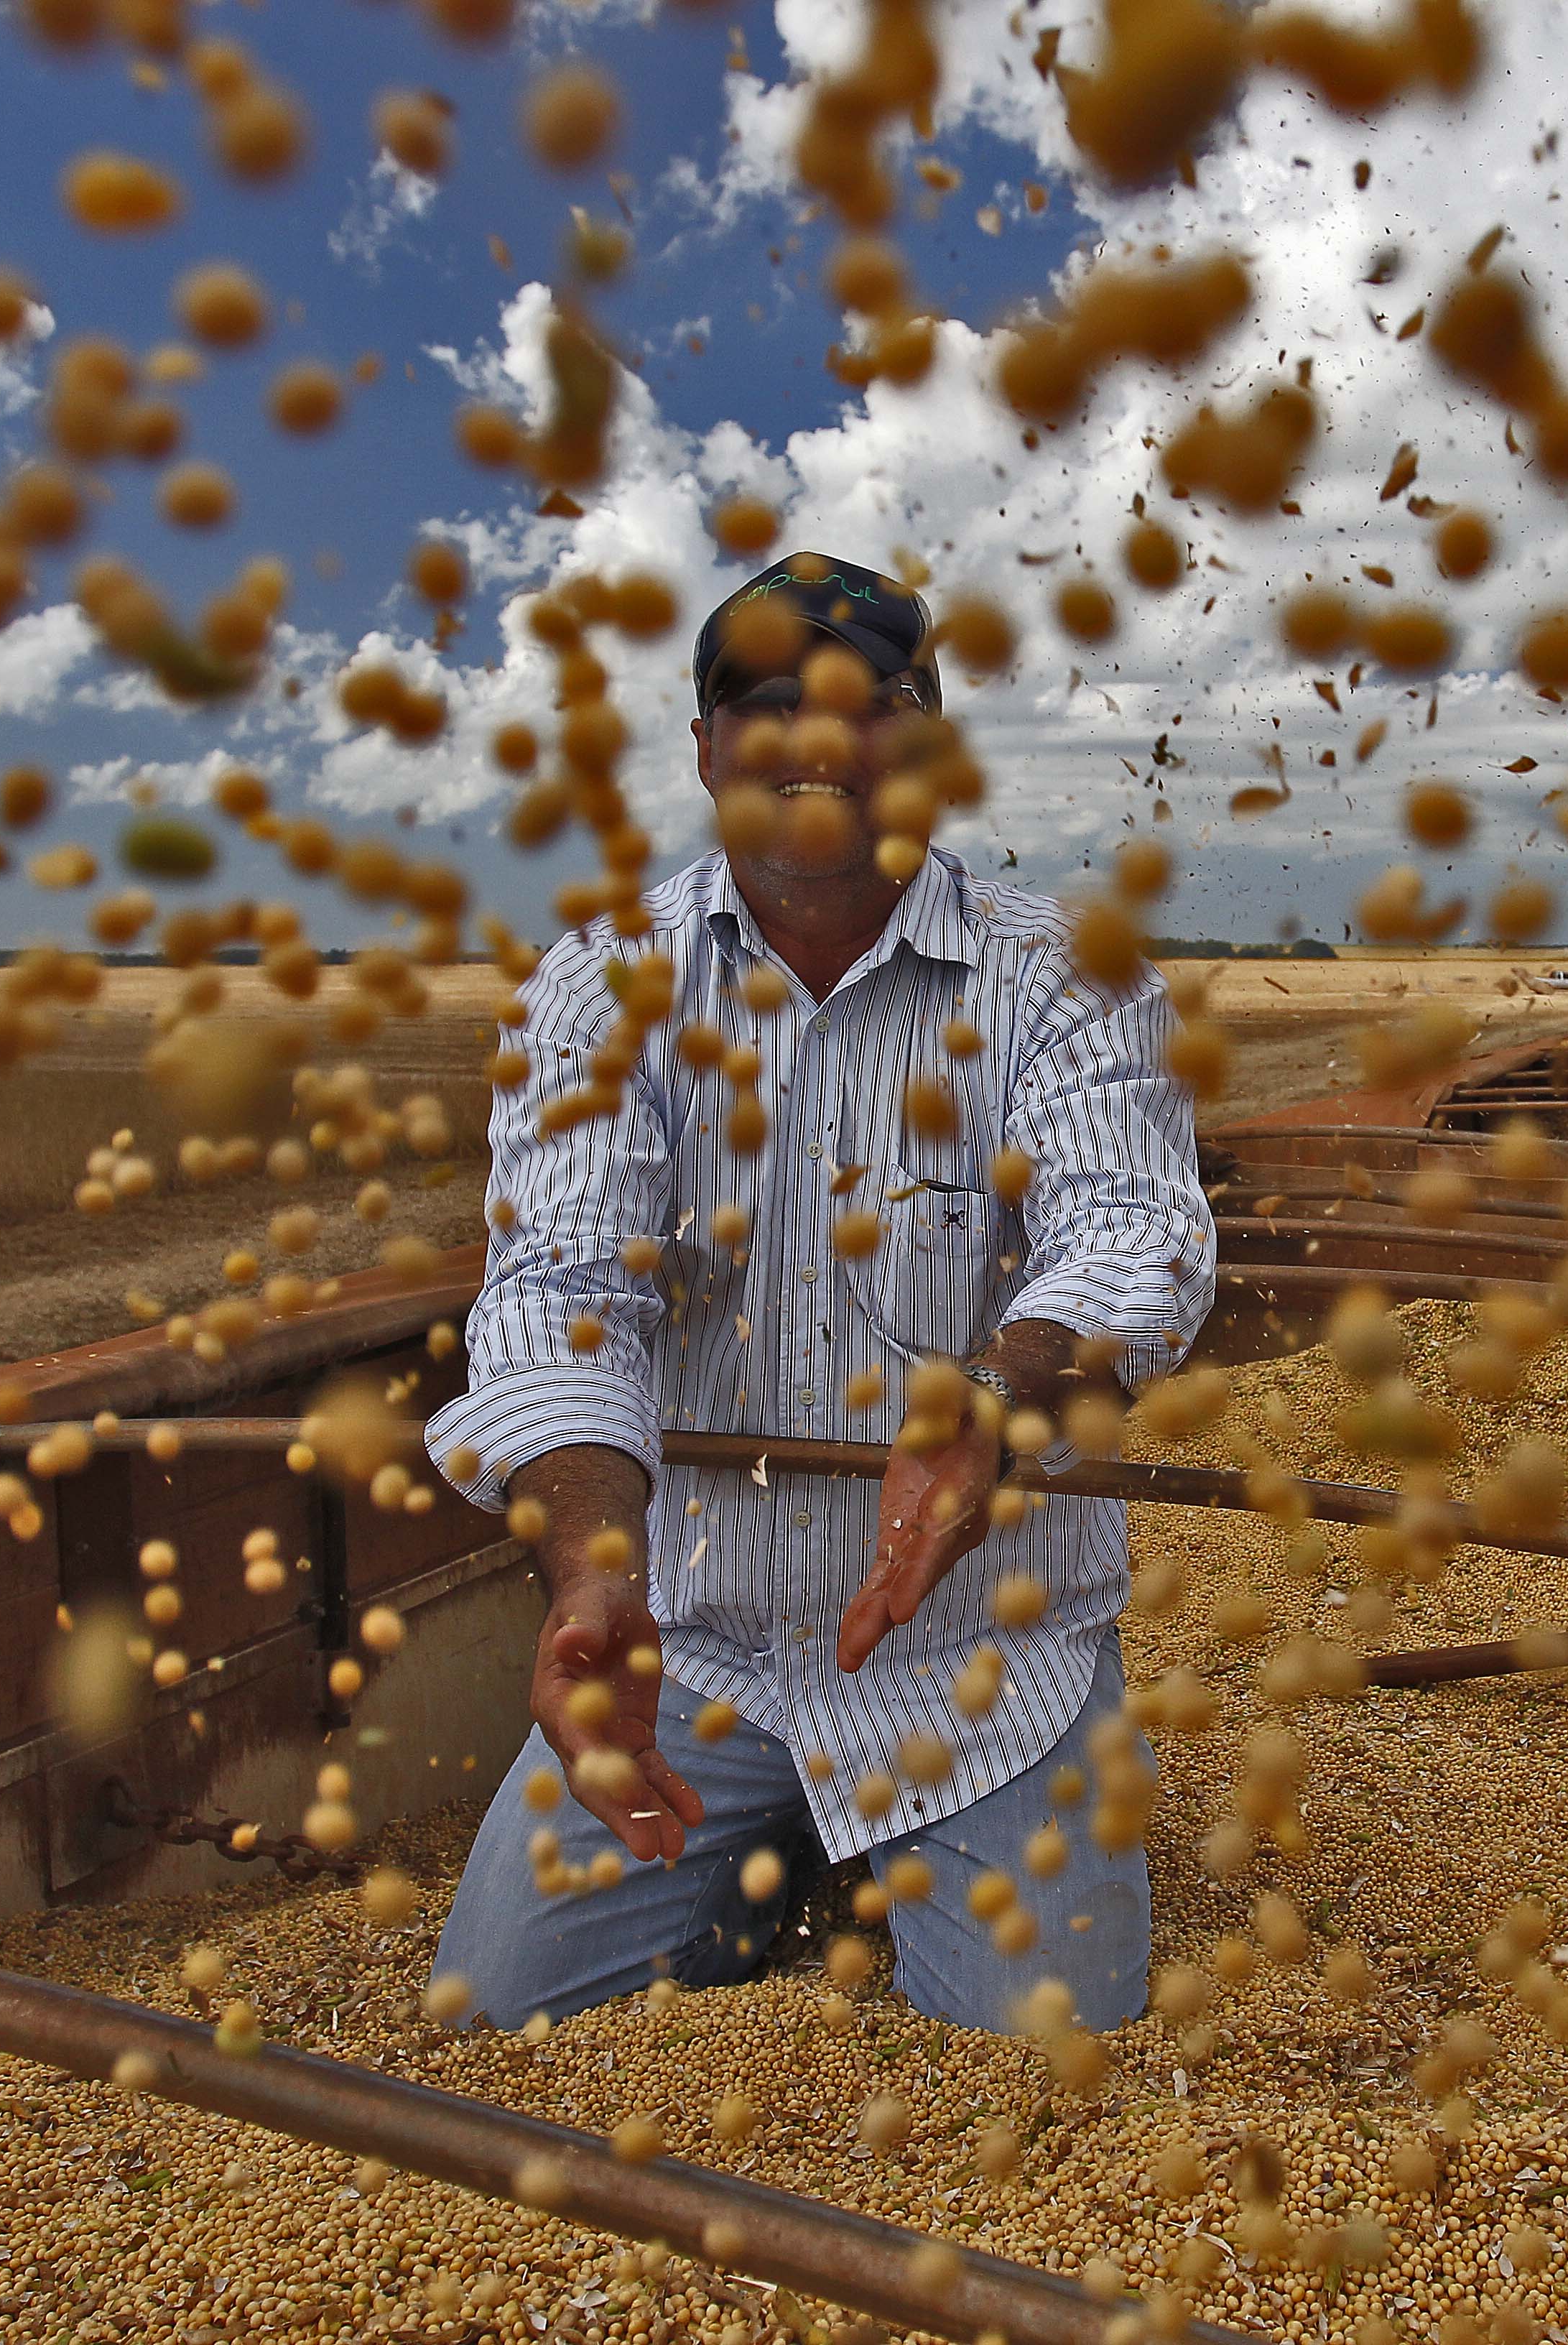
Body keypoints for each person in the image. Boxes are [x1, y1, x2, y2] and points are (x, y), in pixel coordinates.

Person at [424, 550, 1215, 2037]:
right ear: (709, 748)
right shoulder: (605, 987)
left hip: (984, 1672)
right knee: (491, 2028)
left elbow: (1132, 1238)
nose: (820, 737)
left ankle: (886, 1849)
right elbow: (560, 1292)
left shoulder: (1060, 978)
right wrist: (597, 1570)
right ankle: (790, 1852)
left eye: (876, 698)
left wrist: (999, 1396)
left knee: (1051, 2082)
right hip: (704, 1655)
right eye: (770, 702)